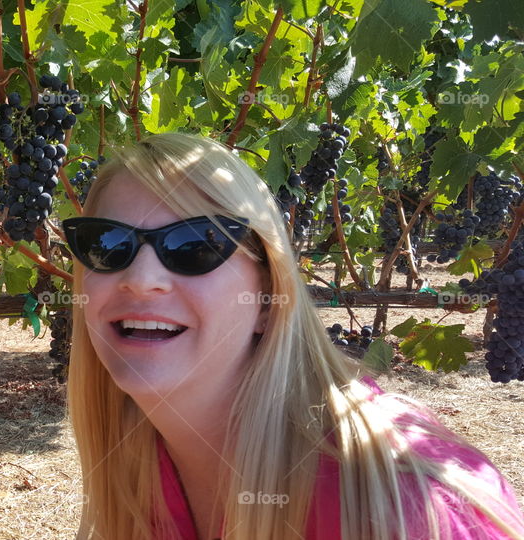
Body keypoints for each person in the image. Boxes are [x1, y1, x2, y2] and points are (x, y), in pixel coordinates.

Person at [60, 132, 524, 540]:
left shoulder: (406, 510)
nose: (140, 279)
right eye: (107, 244)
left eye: (195, 245)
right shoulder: (135, 470)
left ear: (267, 296)